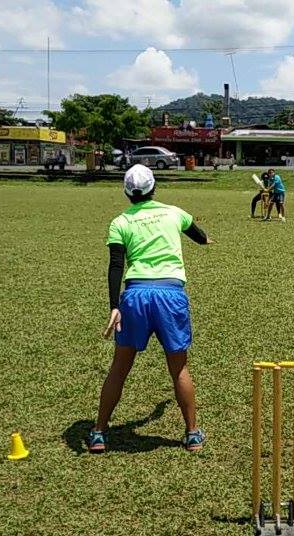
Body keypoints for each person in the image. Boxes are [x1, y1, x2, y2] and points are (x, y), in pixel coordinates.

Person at [91, 164, 213, 453]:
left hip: (135, 296)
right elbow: (198, 234)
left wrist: (113, 306)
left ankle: (99, 433)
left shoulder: (120, 222)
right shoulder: (174, 212)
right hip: (170, 295)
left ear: (126, 192)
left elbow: (116, 265)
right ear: (154, 187)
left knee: (119, 368)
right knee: (179, 367)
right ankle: (192, 434)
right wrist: (206, 240)